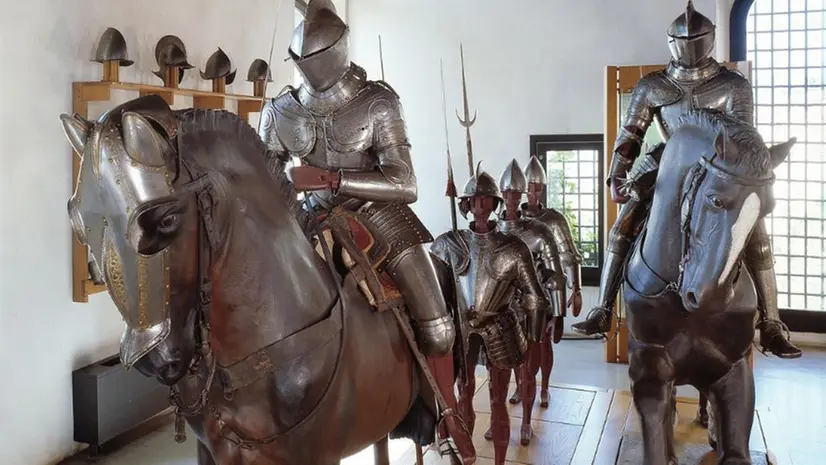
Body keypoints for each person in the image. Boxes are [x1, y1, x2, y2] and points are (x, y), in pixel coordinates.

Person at [258, 0, 475, 460]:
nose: (309, 66)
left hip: (378, 216)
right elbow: (266, 178)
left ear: (339, 47)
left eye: (316, 56)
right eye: (302, 59)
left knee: (438, 329)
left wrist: (333, 178)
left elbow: (406, 182)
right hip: (308, 217)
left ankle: (445, 418)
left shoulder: (377, 102)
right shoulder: (280, 110)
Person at [571, 0, 801, 359]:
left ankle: (771, 323)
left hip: (720, 169)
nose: (689, 47)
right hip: (666, 164)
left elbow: (742, 135)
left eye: (696, 39)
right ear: (672, 42)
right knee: (622, 228)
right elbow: (630, 134)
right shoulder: (652, 85)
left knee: (755, 235)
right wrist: (617, 175)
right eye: (683, 40)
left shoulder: (733, 85)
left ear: (710, 39)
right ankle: (602, 310)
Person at [432, 168, 549, 465]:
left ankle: (499, 461)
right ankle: (467, 456)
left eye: (486, 200)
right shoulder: (447, 244)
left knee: (498, 399)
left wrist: (533, 338)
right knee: (463, 396)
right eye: (474, 200)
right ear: (466, 203)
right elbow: (434, 294)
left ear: (495, 203)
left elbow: (535, 296)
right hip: (461, 328)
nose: (480, 205)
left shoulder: (514, 247)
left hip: (501, 326)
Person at [481, 159, 566, 446]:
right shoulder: (491, 232)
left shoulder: (539, 230)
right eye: (507, 193)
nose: (512, 198)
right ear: (501, 195)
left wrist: (559, 312)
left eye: (516, 193)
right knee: (498, 370)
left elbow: (555, 272)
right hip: (500, 309)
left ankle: (527, 421)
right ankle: (497, 419)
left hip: (531, 307)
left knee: (528, 369)